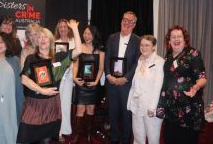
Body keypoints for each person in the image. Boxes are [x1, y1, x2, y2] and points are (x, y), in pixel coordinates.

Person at [16, 19, 82, 144]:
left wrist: (74, 29)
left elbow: (78, 51)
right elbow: (24, 79)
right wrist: (42, 90)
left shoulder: (59, 57)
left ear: (51, 40)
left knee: (45, 140)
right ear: (37, 41)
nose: (42, 39)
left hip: (51, 106)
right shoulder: (31, 58)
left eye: (45, 36)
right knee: (24, 139)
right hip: (33, 105)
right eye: (40, 37)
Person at [156, 25, 207, 144]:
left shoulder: (192, 53)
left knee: (186, 139)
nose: (176, 39)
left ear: (185, 40)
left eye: (179, 36)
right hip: (171, 107)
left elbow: (202, 78)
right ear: (169, 41)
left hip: (187, 106)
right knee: (169, 138)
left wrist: (196, 87)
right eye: (173, 37)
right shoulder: (168, 55)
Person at [105, 11, 141, 144]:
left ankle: (126, 139)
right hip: (111, 82)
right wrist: (108, 74)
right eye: (125, 19)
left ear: (134, 25)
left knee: (127, 114)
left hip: (127, 84)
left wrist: (126, 78)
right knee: (112, 113)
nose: (127, 23)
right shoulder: (112, 37)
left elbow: (138, 62)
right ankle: (114, 138)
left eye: (130, 21)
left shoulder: (138, 40)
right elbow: (107, 57)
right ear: (121, 21)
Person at [70, 25, 105, 144]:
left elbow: (101, 68)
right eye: (85, 33)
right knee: (80, 109)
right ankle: (78, 135)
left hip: (93, 84)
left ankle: (89, 134)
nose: (86, 36)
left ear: (94, 35)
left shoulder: (100, 50)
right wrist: (74, 78)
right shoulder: (79, 48)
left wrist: (96, 81)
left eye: (89, 33)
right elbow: (75, 65)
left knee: (91, 109)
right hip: (81, 83)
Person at [127, 35, 164, 144]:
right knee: (138, 136)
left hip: (150, 106)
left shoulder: (159, 61)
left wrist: (152, 107)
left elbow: (158, 86)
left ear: (153, 47)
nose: (143, 48)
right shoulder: (140, 60)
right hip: (137, 103)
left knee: (153, 137)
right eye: (142, 45)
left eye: (147, 45)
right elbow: (135, 83)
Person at [54, 18, 76, 142]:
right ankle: (58, 132)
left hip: (70, 77)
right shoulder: (55, 42)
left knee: (66, 104)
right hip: (58, 77)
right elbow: (53, 62)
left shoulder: (74, 42)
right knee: (58, 104)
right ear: (58, 29)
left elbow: (78, 59)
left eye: (65, 27)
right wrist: (61, 67)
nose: (63, 29)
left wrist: (70, 66)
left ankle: (66, 129)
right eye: (60, 27)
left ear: (68, 29)